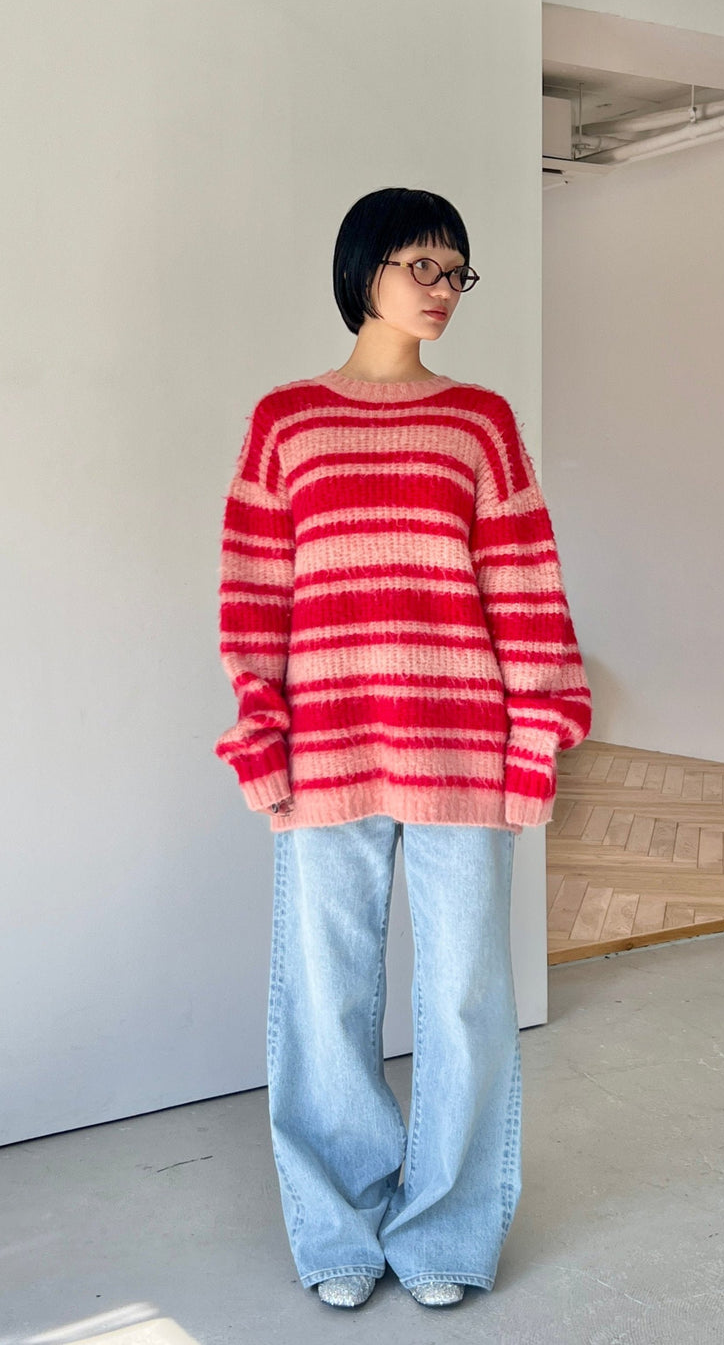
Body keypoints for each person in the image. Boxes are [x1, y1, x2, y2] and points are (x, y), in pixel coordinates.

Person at [214, 187, 591, 1310]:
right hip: (324, 754)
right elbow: (254, 594)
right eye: (421, 264)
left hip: (464, 752)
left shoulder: (479, 422)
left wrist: (538, 743)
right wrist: (261, 739)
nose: (443, 289)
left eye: (456, 271)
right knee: (323, 1001)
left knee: (465, 1000)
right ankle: (338, 1226)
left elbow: (525, 587)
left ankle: (445, 1231)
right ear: (363, 266)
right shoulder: (287, 421)